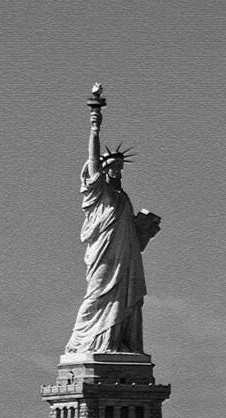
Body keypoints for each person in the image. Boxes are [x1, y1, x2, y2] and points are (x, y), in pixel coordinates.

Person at [65, 100, 160, 354]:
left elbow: (132, 240)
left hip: (126, 259)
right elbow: (93, 161)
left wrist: (145, 230)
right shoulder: (99, 193)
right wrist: (95, 127)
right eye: (112, 167)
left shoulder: (123, 198)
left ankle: (116, 343)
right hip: (104, 255)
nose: (116, 171)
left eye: (119, 167)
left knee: (125, 301)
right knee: (96, 295)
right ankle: (86, 343)